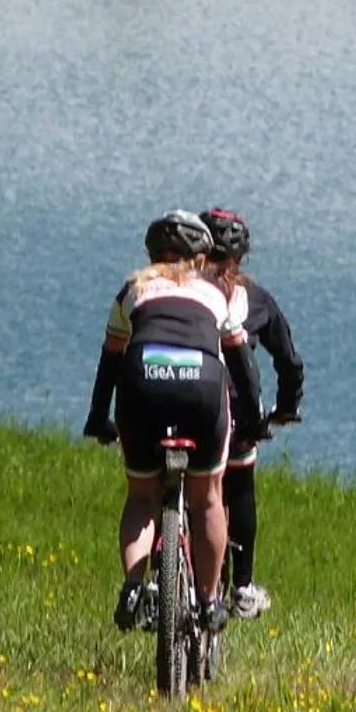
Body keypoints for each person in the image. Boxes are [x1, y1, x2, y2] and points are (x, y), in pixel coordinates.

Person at [81, 209, 265, 634]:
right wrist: (253, 419)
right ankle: (209, 602)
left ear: (151, 254)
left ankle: (133, 585)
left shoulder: (133, 289)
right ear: (200, 257)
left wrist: (98, 417)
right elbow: (242, 363)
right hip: (201, 389)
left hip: (142, 384)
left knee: (141, 497)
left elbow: (110, 360)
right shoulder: (214, 294)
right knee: (207, 499)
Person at [199, 208, 304, 620]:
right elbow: (289, 362)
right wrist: (287, 406)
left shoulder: (180, 291)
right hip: (235, 409)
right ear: (241, 257)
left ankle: (163, 573)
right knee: (239, 482)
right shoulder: (256, 299)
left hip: (181, 400)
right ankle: (241, 586)